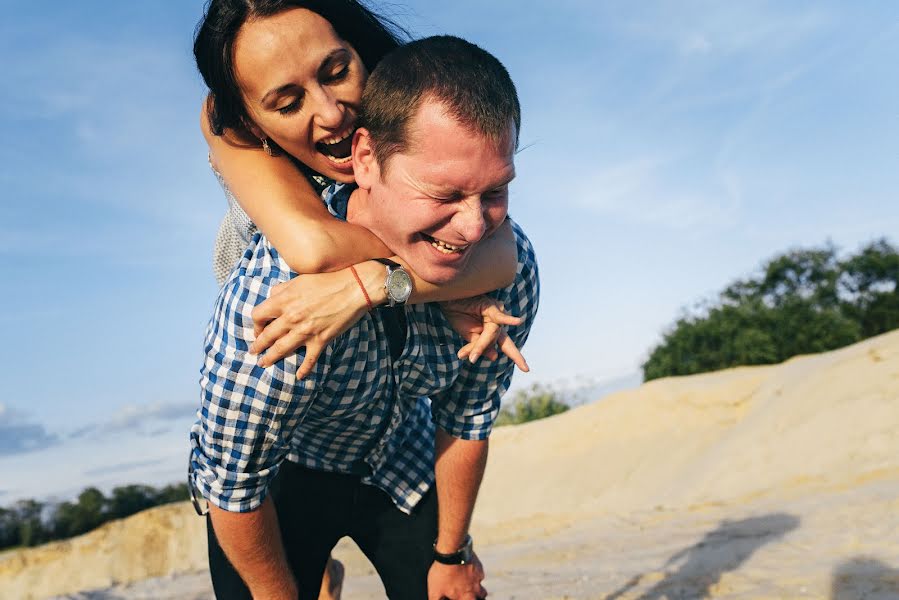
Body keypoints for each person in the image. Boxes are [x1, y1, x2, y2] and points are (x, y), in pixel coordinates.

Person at [192, 2, 530, 597]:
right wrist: (419, 281)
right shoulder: (272, 293)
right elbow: (314, 246)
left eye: (336, 70)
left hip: (393, 451)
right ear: (252, 125)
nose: (330, 112)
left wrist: (381, 284)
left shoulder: (446, 194)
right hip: (288, 456)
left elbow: (503, 257)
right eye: (287, 102)